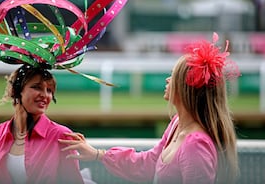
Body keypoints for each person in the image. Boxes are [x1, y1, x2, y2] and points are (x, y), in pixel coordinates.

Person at [59, 33, 240, 184]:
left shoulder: (195, 145)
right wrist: (97, 154)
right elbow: (149, 163)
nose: (167, 80)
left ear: (187, 88)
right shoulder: (177, 124)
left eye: (173, 76)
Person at [0, 64, 85, 184]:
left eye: (49, 90)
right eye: (37, 87)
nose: (45, 95)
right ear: (17, 90)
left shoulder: (62, 136)